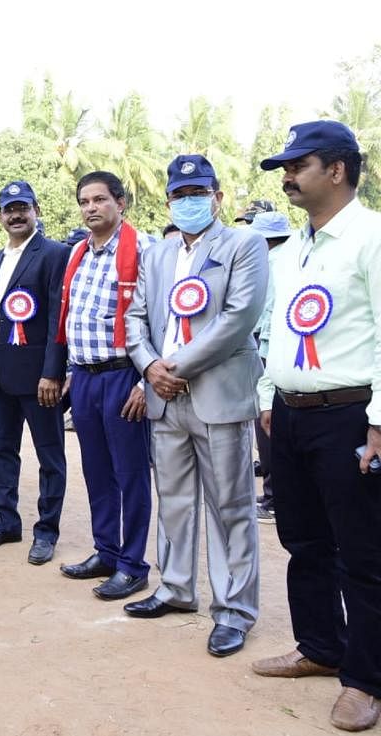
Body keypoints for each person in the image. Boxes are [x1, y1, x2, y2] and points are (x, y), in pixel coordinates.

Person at [250, 121, 381, 732]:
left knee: (363, 552)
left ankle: (366, 680)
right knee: (303, 543)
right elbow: (277, 329)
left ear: (337, 169)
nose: (287, 177)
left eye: (297, 165)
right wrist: (268, 395)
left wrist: (379, 422)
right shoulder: (293, 248)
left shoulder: (372, 237)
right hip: (292, 418)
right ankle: (321, 648)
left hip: (351, 415)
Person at [122, 154, 267, 659]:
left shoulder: (244, 246)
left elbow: (237, 319)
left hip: (215, 394)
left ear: (218, 197)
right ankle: (177, 588)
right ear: (168, 201)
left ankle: (233, 611)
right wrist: (148, 367)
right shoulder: (157, 253)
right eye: (179, 196)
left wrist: (174, 367)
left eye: (197, 193)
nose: (188, 203)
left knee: (230, 508)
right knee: (176, 500)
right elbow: (136, 316)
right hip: (164, 396)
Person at [55, 172, 153, 599]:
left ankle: (133, 564)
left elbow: (158, 320)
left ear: (120, 202)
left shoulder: (144, 250)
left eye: (99, 199)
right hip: (85, 376)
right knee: (96, 471)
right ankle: (107, 550)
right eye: (84, 201)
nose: (91, 207)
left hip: (124, 375)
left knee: (130, 473)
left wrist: (147, 379)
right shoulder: (79, 252)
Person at [0, 181, 69, 564]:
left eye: (22, 207)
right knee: (2, 450)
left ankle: (46, 531)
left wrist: (52, 372)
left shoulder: (55, 254)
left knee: (50, 455)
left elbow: (57, 317)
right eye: (8, 209)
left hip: (38, 378)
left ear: (36, 210)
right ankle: (7, 521)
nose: (16, 215)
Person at [246, 210, 293, 524]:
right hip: (288, 352)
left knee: (266, 423)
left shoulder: (271, 264)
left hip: (267, 349)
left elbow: (265, 312)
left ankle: (274, 497)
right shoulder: (292, 257)